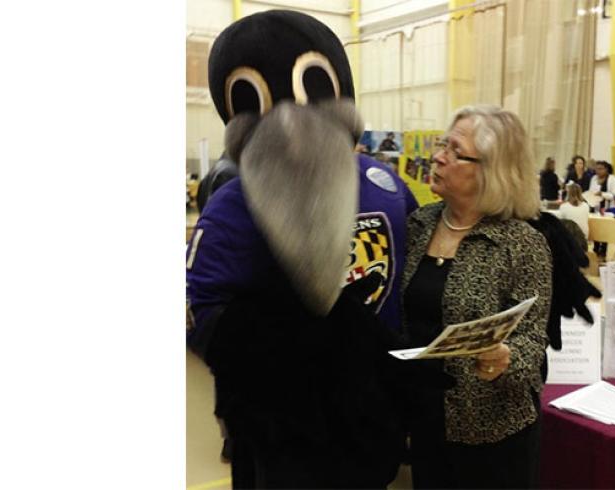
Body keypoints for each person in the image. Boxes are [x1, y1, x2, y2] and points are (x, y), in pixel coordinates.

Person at [186, 10, 450, 488]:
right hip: (282, 424)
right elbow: (206, 314)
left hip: (372, 412)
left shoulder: (386, 184)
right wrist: (293, 340)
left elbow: (417, 269)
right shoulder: (233, 204)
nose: (291, 117)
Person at [402, 105, 552, 489]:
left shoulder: (522, 244)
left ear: (491, 169)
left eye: (454, 151)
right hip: (426, 421)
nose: (438, 157)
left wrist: (506, 359)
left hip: (492, 433)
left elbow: (534, 342)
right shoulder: (419, 224)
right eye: (442, 145)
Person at [588, 161, 615, 259]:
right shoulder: (593, 179)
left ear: (606, 169)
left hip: (608, 208)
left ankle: (603, 251)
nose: (598, 171)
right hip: (595, 207)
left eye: (601, 168)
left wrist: (602, 194)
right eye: (597, 169)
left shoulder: (612, 179)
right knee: (596, 229)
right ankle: (596, 249)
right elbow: (591, 191)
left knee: (605, 231)